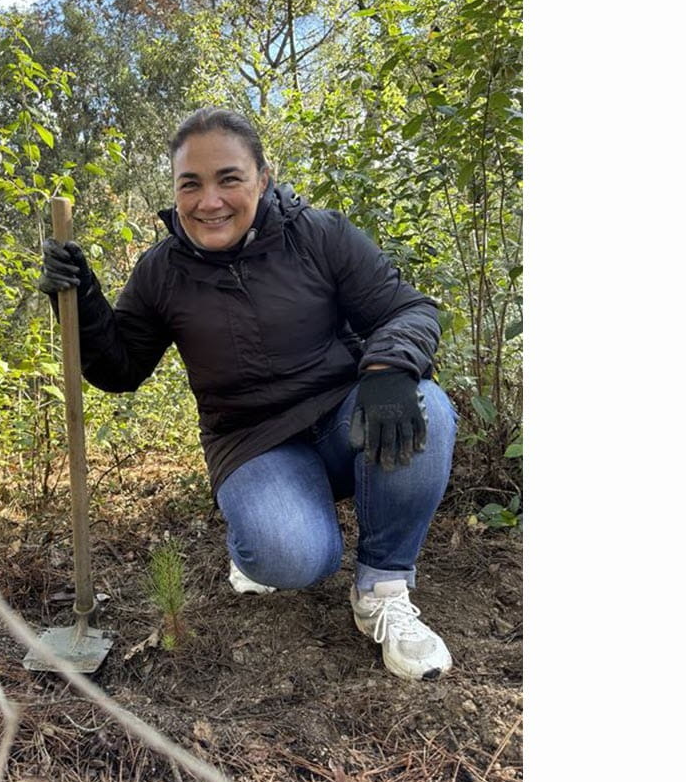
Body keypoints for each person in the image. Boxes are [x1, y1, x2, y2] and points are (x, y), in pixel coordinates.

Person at [37, 107, 457, 681]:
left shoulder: (320, 235)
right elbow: (121, 369)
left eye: (228, 179)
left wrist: (386, 368)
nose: (209, 201)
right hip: (252, 441)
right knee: (294, 557)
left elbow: (408, 308)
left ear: (262, 177)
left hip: (342, 416)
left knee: (426, 407)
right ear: (177, 192)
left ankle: (382, 587)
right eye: (191, 184)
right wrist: (83, 300)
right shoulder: (162, 272)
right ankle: (258, 540)